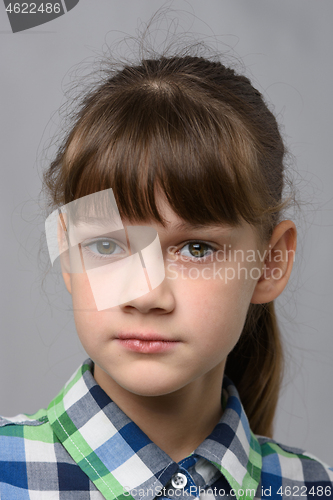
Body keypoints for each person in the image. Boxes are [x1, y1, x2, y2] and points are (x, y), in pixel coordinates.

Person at [0, 51, 332, 500]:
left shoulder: (313, 488)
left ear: (270, 263)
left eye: (196, 249)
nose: (145, 294)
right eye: (107, 245)